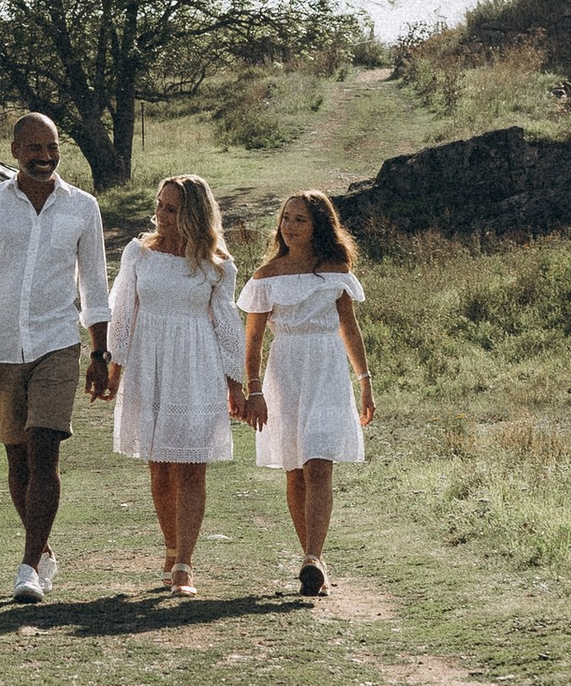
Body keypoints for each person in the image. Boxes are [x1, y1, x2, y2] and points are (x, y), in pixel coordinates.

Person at [0, 112, 111, 606]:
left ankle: (26, 566)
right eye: (35, 148)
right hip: (0, 349)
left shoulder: (82, 208)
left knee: (45, 450)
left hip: (57, 343)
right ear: (15, 149)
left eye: (53, 148)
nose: (44, 157)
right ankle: (42, 551)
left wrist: (100, 353)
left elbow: (95, 288)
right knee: (17, 458)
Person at [105, 173, 245, 597]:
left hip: (196, 366)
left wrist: (235, 384)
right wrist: (114, 371)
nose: (162, 216)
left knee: (191, 466)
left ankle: (185, 562)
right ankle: (169, 547)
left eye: (173, 209)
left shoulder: (217, 265)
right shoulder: (138, 254)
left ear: (194, 214)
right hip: (150, 365)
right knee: (160, 466)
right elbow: (123, 314)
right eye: (160, 206)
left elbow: (227, 327)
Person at [241, 187, 373, 597]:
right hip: (286, 370)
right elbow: (254, 340)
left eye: (300, 219)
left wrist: (365, 380)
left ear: (318, 224)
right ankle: (311, 558)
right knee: (295, 469)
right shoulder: (267, 276)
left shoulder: (335, 268)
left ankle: (313, 557)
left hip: (328, 368)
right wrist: (254, 390)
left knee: (319, 462)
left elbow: (348, 327)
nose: (290, 226)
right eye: (285, 218)